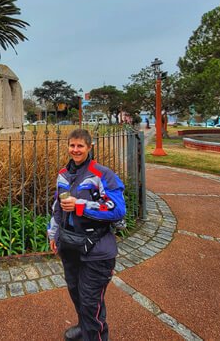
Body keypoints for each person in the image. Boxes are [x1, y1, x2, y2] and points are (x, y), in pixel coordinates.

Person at [47, 128, 126, 341]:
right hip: (70, 245)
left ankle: (95, 335)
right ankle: (84, 328)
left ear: (89, 147)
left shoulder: (102, 174)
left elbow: (117, 209)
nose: (75, 150)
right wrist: (53, 234)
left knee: (92, 302)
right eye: (72, 145)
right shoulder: (63, 174)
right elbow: (57, 207)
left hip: (97, 249)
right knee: (77, 293)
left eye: (80, 146)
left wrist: (81, 206)